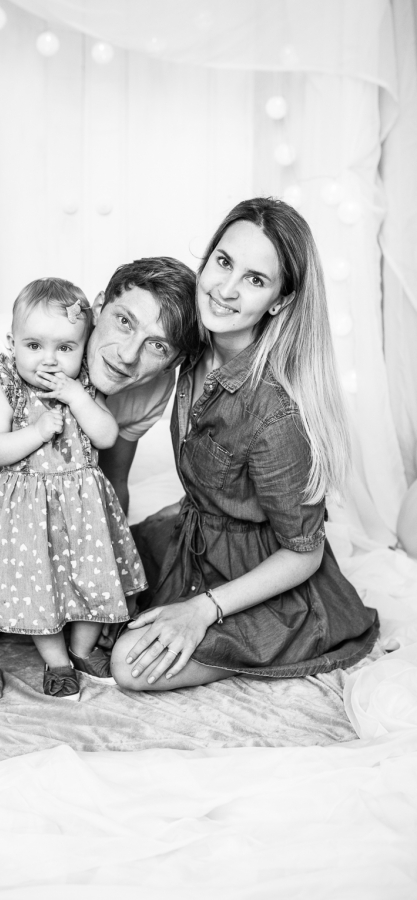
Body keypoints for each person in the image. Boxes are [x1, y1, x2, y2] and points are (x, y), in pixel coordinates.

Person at [110, 198, 379, 691]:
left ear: (278, 301)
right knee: (90, 580)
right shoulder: (192, 346)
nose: (226, 290)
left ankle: (276, 636)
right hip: (197, 540)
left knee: (130, 663)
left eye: (255, 279)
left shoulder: (274, 413)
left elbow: (304, 552)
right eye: (224, 262)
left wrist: (201, 610)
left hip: (265, 578)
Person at [0, 257, 197, 710]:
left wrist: (107, 589)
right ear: (98, 307)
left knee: (100, 598)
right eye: (124, 321)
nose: (127, 355)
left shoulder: (152, 387)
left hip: (67, 505)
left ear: (173, 361)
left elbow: (112, 482)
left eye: (156, 346)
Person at [0, 278, 146, 700]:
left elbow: (106, 436)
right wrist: (37, 432)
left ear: (83, 347)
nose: (49, 359)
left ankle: (81, 650)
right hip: (29, 513)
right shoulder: (8, 389)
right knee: (38, 588)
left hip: (83, 512)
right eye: (34, 346)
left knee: (93, 581)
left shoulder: (84, 388)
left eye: (65, 348)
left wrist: (77, 397)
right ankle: (57, 662)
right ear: (13, 344)